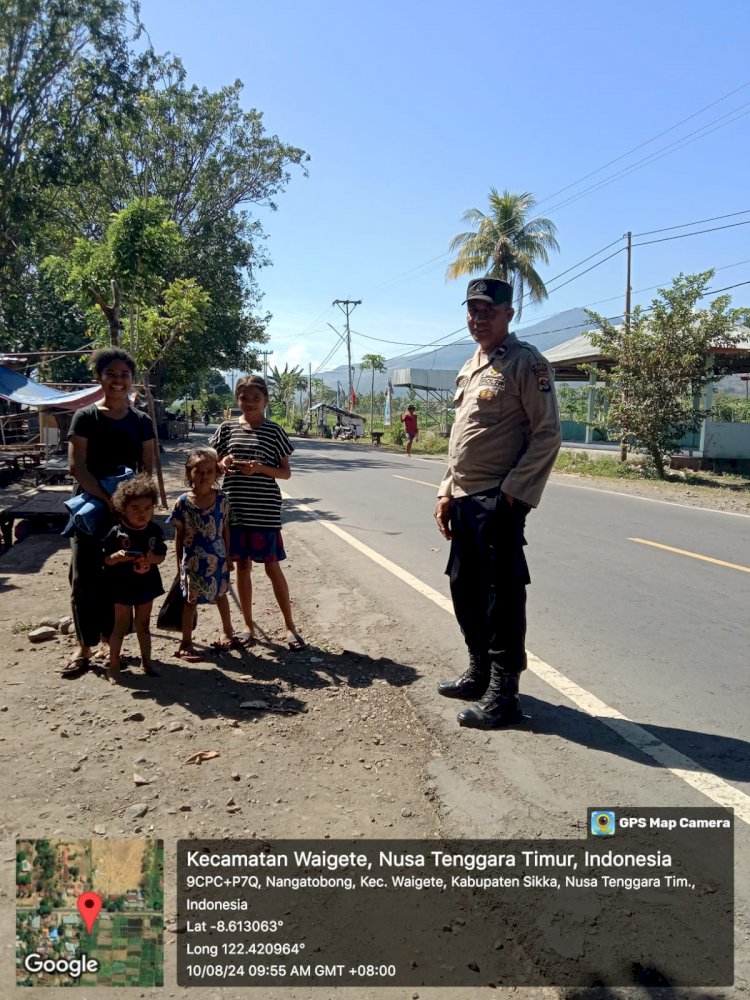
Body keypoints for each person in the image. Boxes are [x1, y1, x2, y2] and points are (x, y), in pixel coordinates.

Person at [435, 278, 561, 729]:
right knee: (464, 587)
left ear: (509, 313)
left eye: (488, 309)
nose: (478, 317)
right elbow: (461, 439)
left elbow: (547, 433)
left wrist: (513, 492)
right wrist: (446, 490)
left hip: (497, 499)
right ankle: (479, 672)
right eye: (472, 309)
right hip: (465, 498)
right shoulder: (472, 365)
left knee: (500, 597)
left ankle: (504, 695)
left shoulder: (527, 363)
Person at [63, 348, 156, 678]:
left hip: (129, 512)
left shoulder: (141, 421)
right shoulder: (85, 417)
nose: (118, 380)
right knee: (83, 577)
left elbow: (146, 466)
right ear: (98, 378)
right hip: (90, 508)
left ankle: (108, 641)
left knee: (117, 577)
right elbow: (77, 467)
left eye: (124, 375)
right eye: (111, 374)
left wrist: (134, 508)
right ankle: (83, 647)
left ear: (131, 380)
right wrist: (109, 501)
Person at [210, 375, 306, 650]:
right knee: (242, 567)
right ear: (237, 399)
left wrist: (260, 468)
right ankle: (248, 626)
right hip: (234, 509)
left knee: (272, 567)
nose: (249, 403)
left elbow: (285, 473)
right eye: (244, 398)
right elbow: (212, 465)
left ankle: (290, 627)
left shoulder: (274, 431)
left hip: (264, 511)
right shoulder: (227, 429)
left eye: (255, 398)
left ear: (266, 400)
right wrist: (223, 462)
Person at [169, 447, 242, 661]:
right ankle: (186, 641)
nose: (203, 477)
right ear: (188, 473)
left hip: (218, 559)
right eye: (198, 472)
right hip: (192, 561)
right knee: (190, 601)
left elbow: (225, 529)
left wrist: (228, 558)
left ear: (216, 474)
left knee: (221, 595)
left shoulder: (222, 500)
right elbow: (179, 535)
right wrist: (178, 562)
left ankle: (228, 631)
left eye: (209, 472)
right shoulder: (182, 502)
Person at [102, 474, 166, 683]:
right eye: (136, 508)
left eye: (147, 508)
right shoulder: (116, 532)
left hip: (146, 585)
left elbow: (161, 556)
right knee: (120, 626)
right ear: (123, 508)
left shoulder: (154, 530)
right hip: (121, 586)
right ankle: (113, 665)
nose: (142, 513)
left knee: (144, 624)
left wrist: (151, 558)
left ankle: (146, 661)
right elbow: (106, 560)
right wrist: (117, 557)